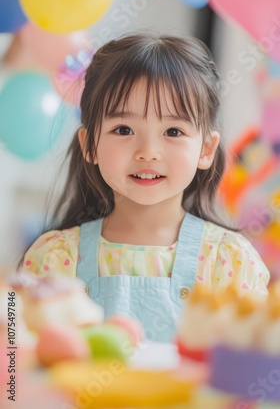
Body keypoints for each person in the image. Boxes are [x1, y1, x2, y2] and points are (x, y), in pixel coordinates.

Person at [21, 33, 270, 342]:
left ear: (206, 149)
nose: (148, 151)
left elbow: (244, 366)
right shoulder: (53, 258)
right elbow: (19, 365)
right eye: (123, 129)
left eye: (173, 131)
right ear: (90, 145)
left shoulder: (230, 261)